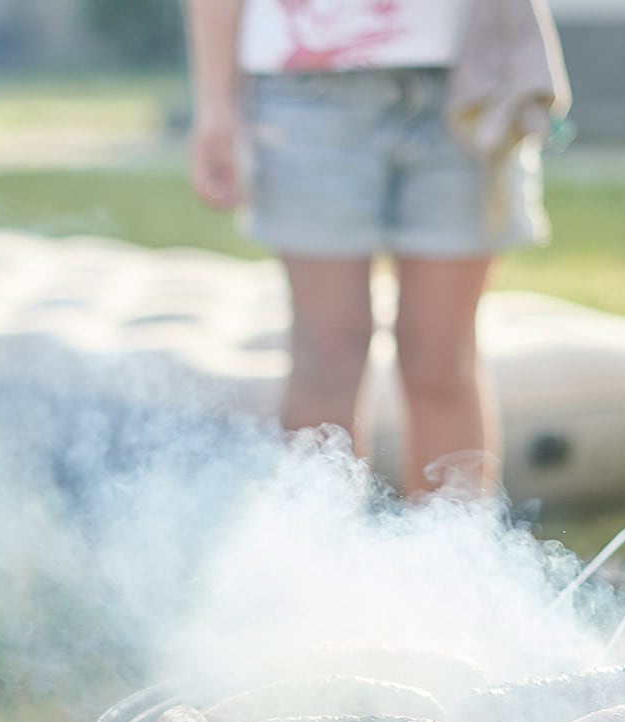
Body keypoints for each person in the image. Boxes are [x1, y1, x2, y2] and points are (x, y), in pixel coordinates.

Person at [183, 0, 569, 497]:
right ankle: (320, 559)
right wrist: (216, 102)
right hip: (306, 87)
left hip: (472, 77)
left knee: (442, 357)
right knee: (326, 355)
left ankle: (450, 564)